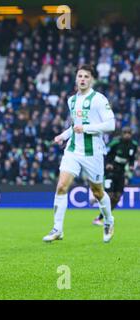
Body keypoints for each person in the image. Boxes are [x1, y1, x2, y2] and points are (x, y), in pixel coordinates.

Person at [42, 64, 116, 243]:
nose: (82, 79)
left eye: (86, 76)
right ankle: (57, 229)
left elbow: (111, 125)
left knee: (98, 192)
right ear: (76, 79)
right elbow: (75, 126)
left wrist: (86, 128)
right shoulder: (72, 100)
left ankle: (108, 221)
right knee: (61, 186)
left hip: (93, 153)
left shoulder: (99, 99)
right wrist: (63, 135)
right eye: (80, 76)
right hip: (73, 151)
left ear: (92, 80)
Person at [92, 126, 138, 226]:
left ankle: (99, 218)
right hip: (110, 171)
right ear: (122, 133)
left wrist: (131, 165)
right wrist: (108, 163)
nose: (127, 135)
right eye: (125, 132)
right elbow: (106, 152)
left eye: (129, 133)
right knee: (109, 195)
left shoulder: (133, 145)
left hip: (121, 173)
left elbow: (132, 158)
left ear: (131, 134)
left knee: (117, 198)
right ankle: (96, 196)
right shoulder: (115, 142)